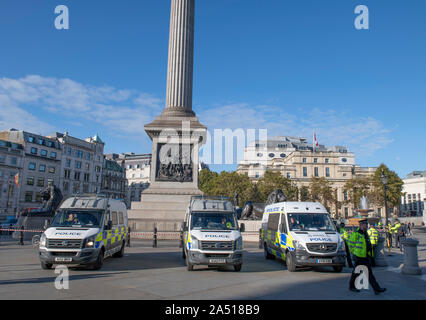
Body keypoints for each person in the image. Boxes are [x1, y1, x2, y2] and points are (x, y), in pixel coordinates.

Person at [348, 219, 386, 295]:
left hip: (365, 256)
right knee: (366, 272)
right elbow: (351, 244)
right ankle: (376, 288)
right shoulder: (356, 234)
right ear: (361, 225)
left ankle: (352, 286)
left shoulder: (366, 234)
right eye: (365, 224)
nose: (366, 225)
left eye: (366, 224)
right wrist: (354, 253)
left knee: (358, 272)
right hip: (359, 256)